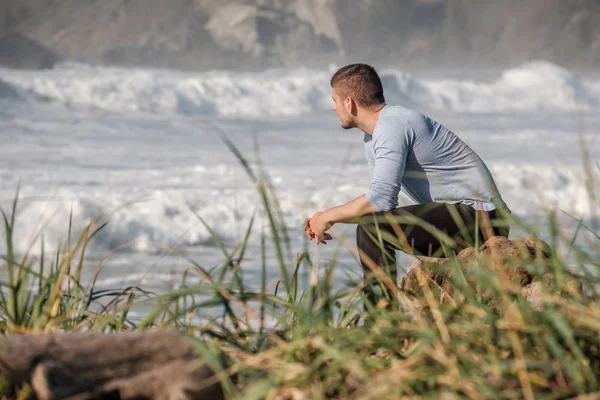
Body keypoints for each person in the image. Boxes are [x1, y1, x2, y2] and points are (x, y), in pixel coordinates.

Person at [304, 63, 511, 309]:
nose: (333, 107)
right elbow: (379, 206)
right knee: (372, 226)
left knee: (372, 229)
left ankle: (381, 319)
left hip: (482, 218)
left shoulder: (393, 125)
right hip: (464, 218)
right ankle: (383, 316)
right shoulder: (373, 136)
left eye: (335, 100)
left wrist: (328, 216)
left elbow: (380, 200)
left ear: (349, 103)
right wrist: (325, 220)